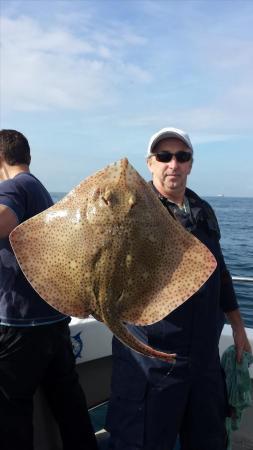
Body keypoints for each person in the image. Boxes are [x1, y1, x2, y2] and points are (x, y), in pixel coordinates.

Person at [104, 127, 252, 450]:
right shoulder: (131, 211)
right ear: (150, 163)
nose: (173, 164)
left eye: (182, 157)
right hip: (150, 358)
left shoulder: (203, 212)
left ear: (190, 164)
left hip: (203, 360)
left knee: (208, 440)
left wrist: (238, 325)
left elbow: (221, 273)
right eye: (164, 156)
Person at [0, 130, 98, 450]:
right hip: (52, 322)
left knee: (13, 414)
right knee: (70, 409)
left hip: (20, 326)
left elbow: (3, 220)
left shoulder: (14, 187)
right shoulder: (39, 188)